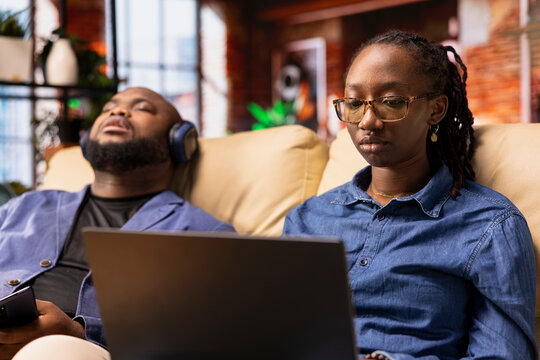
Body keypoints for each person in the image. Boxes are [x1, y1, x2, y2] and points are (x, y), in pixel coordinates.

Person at [283, 30, 537, 359]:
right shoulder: (307, 218)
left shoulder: (488, 226)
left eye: (391, 102)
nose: (368, 121)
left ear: (436, 109)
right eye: (355, 103)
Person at [0, 87, 234, 359]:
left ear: (179, 142)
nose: (118, 111)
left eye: (143, 108)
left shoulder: (204, 235)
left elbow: (210, 335)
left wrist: (80, 333)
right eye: (109, 107)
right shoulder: (25, 206)